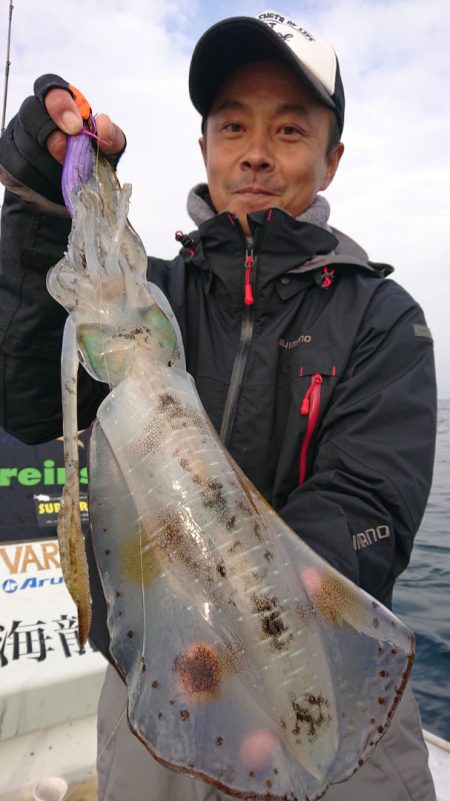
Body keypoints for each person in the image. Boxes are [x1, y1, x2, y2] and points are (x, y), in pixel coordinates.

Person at [0, 9, 437, 801]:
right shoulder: (147, 297)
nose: (258, 152)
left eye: (290, 131)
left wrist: (254, 632)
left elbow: (369, 505)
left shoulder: (384, 318)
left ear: (332, 159)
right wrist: (37, 214)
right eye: (234, 124)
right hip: (165, 687)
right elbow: (32, 403)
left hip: (318, 680)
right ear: (203, 145)